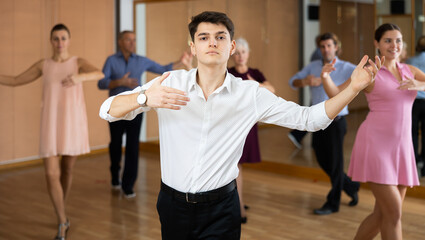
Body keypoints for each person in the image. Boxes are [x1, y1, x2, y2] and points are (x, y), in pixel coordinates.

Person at [99, 11, 380, 240]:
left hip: (222, 209)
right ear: (193, 47)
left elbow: (309, 119)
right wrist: (145, 97)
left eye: (220, 37)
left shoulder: (249, 93)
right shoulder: (169, 83)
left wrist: (353, 88)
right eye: (204, 37)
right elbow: (107, 110)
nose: (212, 43)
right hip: (173, 206)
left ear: (231, 46)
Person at [0, 24, 104, 240]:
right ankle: (62, 221)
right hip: (51, 122)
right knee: (50, 174)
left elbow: (99, 73)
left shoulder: (77, 63)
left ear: (69, 40)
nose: (59, 43)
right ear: (50, 41)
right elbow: (16, 80)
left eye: (63, 38)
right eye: (55, 39)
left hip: (72, 123)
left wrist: (79, 78)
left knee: (67, 170)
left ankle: (62, 211)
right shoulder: (43, 65)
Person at [321, 23, 422, 240]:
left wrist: (420, 85)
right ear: (376, 43)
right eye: (387, 40)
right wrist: (326, 78)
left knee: (383, 214)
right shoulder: (370, 72)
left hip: (402, 148)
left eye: (398, 40)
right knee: (394, 213)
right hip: (376, 146)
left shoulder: (410, 71)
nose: (394, 45)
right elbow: (339, 94)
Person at [97, 30, 193, 198]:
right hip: (117, 108)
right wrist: (121, 82)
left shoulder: (141, 61)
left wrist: (182, 61)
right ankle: (114, 174)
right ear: (120, 42)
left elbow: (163, 69)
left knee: (133, 146)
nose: (132, 43)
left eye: (134, 40)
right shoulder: (111, 61)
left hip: (137, 109)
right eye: (128, 40)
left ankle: (128, 185)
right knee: (116, 144)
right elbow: (101, 83)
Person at [289, 33, 360, 215]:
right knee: (322, 160)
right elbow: (292, 82)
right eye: (323, 46)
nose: (326, 49)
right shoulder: (313, 67)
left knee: (335, 164)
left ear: (336, 47)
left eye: (329, 45)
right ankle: (351, 186)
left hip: (336, 122)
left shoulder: (346, 68)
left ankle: (332, 203)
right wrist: (305, 81)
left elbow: (363, 76)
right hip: (317, 121)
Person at [228, 37, 275, 223]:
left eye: (243, 52)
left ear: (248, 54)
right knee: (235, 166)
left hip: (249, 123)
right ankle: (239, 208)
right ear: (233, 54)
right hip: (231, 125)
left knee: (239, 166)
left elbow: (272, 89)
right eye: (237, 53)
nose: (240, 56)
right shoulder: (228, 73)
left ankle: (237, 200)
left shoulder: (255, 73)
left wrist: (255, 83)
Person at [288, 34, 324, 149]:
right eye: (324, 45)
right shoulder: (317, 56)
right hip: (318, 93)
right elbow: (294, 81)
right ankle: (296, 134)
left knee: (313, 118)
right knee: (312, 118)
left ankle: (297, 135)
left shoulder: (317, 53)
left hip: (319, 95)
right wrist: (308, 81)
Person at [405, 36, 425, 177]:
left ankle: (414, 161)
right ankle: (424, 163)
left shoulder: (410, 62)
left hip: (413, 102)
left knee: (412, 133)